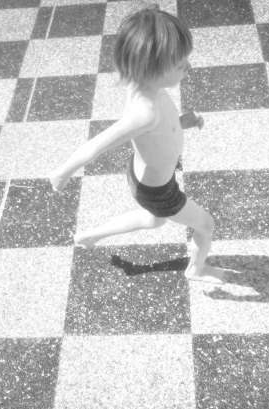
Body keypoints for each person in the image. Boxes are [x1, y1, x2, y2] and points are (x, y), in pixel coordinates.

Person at [49, 5, 237, 286]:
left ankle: (90, 236)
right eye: (180, 65)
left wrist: (180, 122)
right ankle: (196, 270)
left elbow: (156, 131)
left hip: (146, 178)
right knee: (206, 224)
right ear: (149, 70)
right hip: (157, 190)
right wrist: (62, 173)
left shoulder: (146, 87)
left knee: (153, 221)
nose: (189, 67)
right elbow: (98, 145)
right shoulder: (144, 112)